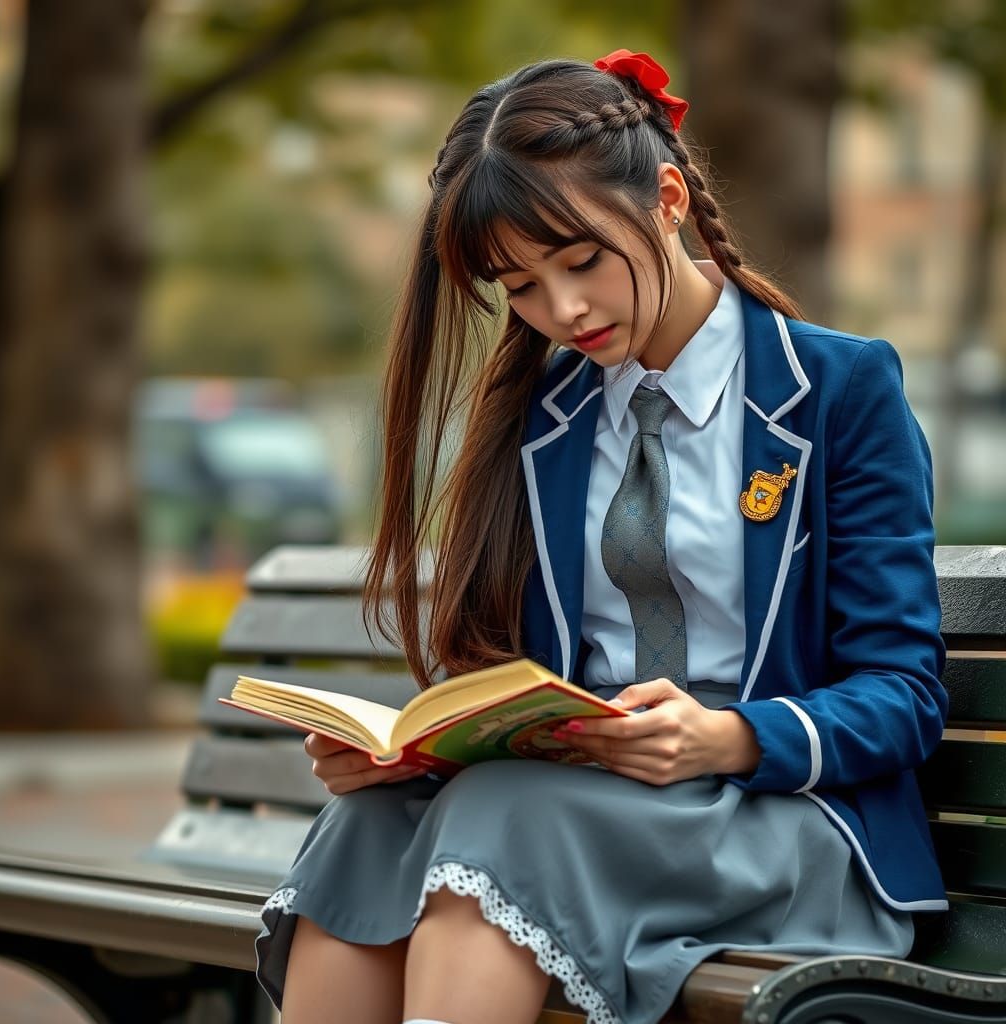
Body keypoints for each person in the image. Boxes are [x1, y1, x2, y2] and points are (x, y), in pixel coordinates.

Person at [254, 49, 948, 1024]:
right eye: (521, 287)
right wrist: (419, 749)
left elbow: (904, 694)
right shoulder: (546, 416)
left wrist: (726, 737)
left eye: (580, 261)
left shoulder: (834, 391)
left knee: (501, 818)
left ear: (665, 197)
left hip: (778, 823)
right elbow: (522, 674)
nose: (561, 310)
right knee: (368, 823)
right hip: (575, 807)